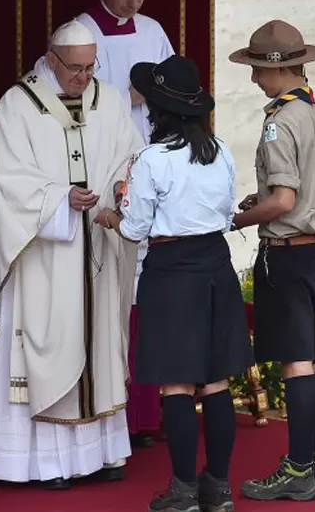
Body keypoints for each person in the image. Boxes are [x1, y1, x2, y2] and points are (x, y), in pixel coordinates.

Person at [0, 19, 141, 490]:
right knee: (44, 339)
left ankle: (99, 455)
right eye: (74, 67)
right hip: (40, 252)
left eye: (90, 66)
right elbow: (8, 181)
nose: (83, 77)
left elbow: (130, 157)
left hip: (97, 244)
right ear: (51, 59)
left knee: (96, 340)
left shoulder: (109, 99)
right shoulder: (19, 105)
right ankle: (42, 464)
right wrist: (60, 200)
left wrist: (120, 189)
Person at [94, 55, 252, 512]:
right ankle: (218, 487)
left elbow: (134, 227)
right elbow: (225, 216)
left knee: (177, 387)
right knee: (217, 382)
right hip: (215, 266)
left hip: (171, 270)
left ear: (159, 113)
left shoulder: (150, 160)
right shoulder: (220, 150)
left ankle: (183, 489)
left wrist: (108, 216)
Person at [228, 20, 315, 502]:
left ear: (274, 68)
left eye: (257, 69)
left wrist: (238, 219)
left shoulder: (280, 121)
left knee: (297, 366)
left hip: (288, 256)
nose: (254, 79)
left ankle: (298, 469)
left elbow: (282, 201)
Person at [77, 0, 175, 448]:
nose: (135, 1)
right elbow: (69, 101)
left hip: (149, 169)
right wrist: (129, 96)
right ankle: (116, 413)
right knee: (116, 300)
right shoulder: (80, 36)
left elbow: (175, 91)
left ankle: (147, 413)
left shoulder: (154, 31)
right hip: (104, 177)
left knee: (148, 297)